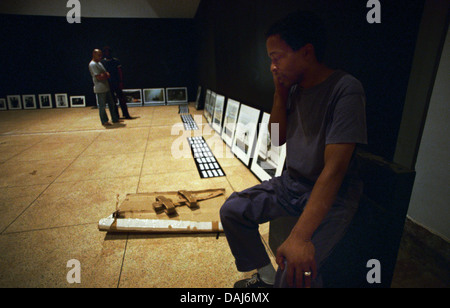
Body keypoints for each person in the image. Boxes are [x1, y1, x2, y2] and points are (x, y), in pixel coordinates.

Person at [219, 10, 367, 288]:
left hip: (334, 195)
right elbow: (276, 139)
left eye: (277, 57)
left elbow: (335, 170)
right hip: (292, 184)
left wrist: (300, 237)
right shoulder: (295, 89)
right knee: (233, 210)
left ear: (307, 52)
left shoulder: (346, 89)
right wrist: (280, 93)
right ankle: (265, 278)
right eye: (270, 60)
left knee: (294, 272)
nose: (273, 66)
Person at [88, 49, 121, 126]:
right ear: (94, 54)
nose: (100, 57)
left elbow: (106, 73)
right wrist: (105, 75)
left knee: (111, 104)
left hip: (106, 87)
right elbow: (99, 77)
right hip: (100, 88)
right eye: (98, 55)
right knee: (102, 106)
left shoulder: (99, 63)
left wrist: (105, 75)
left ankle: (114, 118)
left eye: (101, 55)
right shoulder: (92, 64)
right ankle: (104, 121)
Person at [101, 46, 134, 119]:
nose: (107, 53)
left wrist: (121, 82)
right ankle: (116, 115)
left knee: (122, 99)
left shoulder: (116, 61)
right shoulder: (103, 62)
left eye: (108, 52)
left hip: (117, 82)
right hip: (108, 84)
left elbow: (120, 72)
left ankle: (126, 114)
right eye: (106, 52)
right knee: (112, 101)